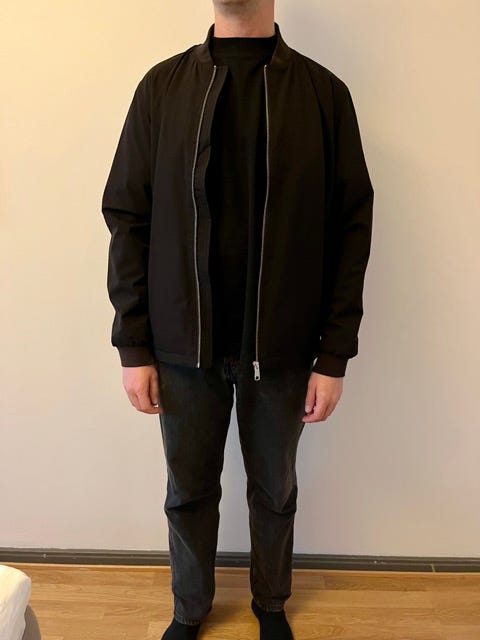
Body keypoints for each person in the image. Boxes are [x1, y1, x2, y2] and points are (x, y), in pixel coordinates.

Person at [101, 1, 374, 638]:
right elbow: (128, 217)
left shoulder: (323, 95)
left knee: (274, 490)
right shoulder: (162, 88)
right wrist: (133, 345)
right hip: (181, 344)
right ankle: (189, 609)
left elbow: (351, 229)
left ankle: (271, 604)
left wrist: (333, 354)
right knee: (188, 491)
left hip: (283, 347)